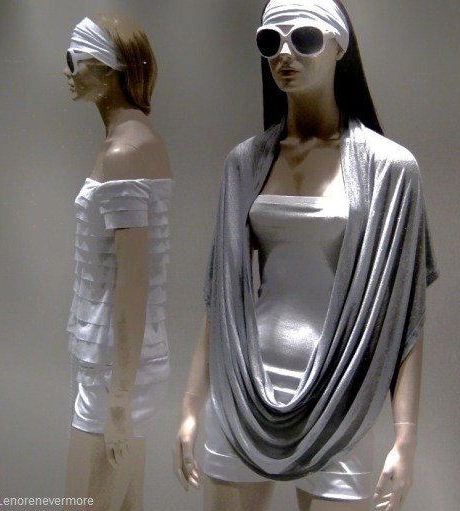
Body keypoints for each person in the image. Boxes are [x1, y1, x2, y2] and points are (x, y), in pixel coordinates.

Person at [173, 1, 438, 511]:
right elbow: (221, 297)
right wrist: (190, 404)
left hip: (340, 400)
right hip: (242, 393)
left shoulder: (391, 170)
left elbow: (406, 314)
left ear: (339, 46)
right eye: (270, 41)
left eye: (305, 38)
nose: (284, 54)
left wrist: (405, 437)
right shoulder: (244, 163)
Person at [63, 13, 172, 511]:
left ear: (109, 68)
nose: (68, 70)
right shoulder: (126, 144)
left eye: (77, 58)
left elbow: (134, 281)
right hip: (113, 358)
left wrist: (120, 401)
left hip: (114, 364)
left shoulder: (126, 152)